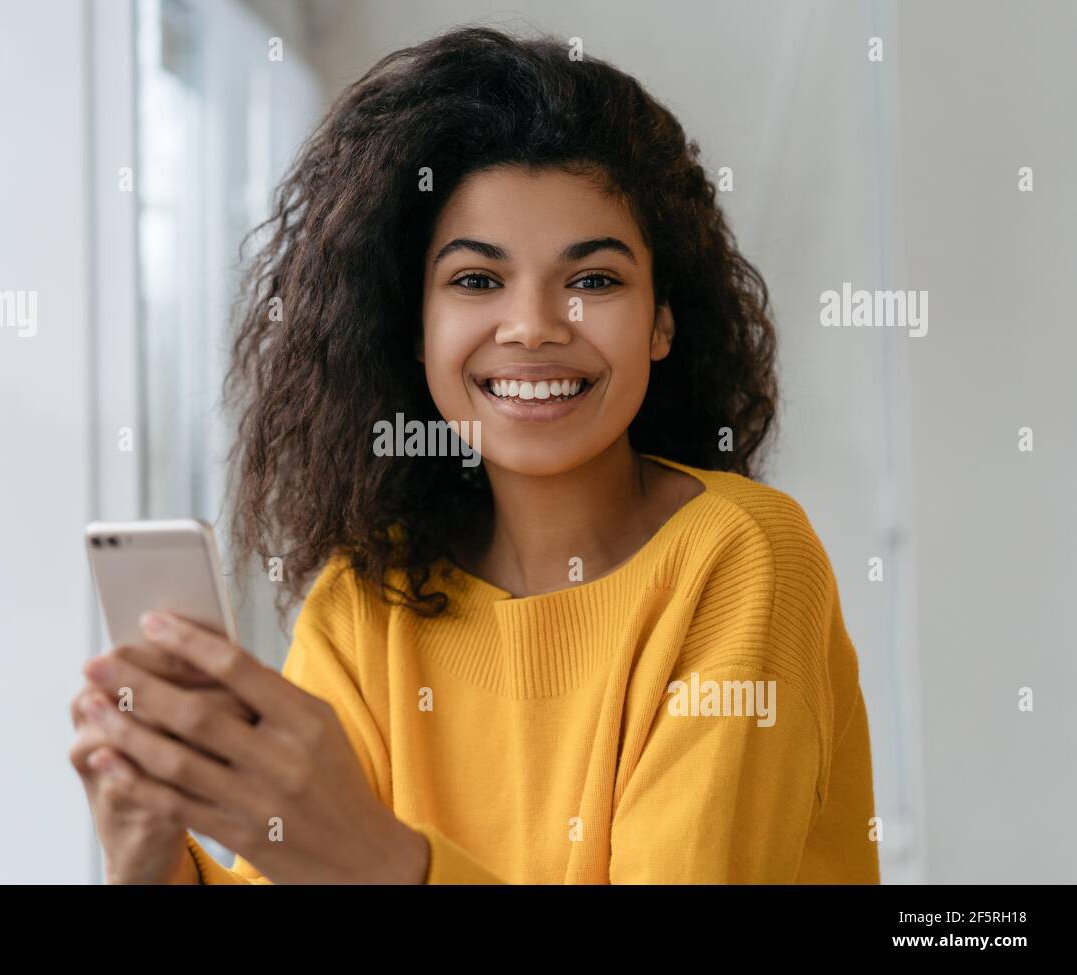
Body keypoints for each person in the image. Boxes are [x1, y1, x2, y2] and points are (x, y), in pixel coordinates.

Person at [69, 25, 880, 884]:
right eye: (476, 280)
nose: (532, 324)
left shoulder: (744, 558)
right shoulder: (362, 601)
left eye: (594, 279)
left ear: (662, 320)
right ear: (414, 332)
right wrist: (151, 859)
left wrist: (380, 860)